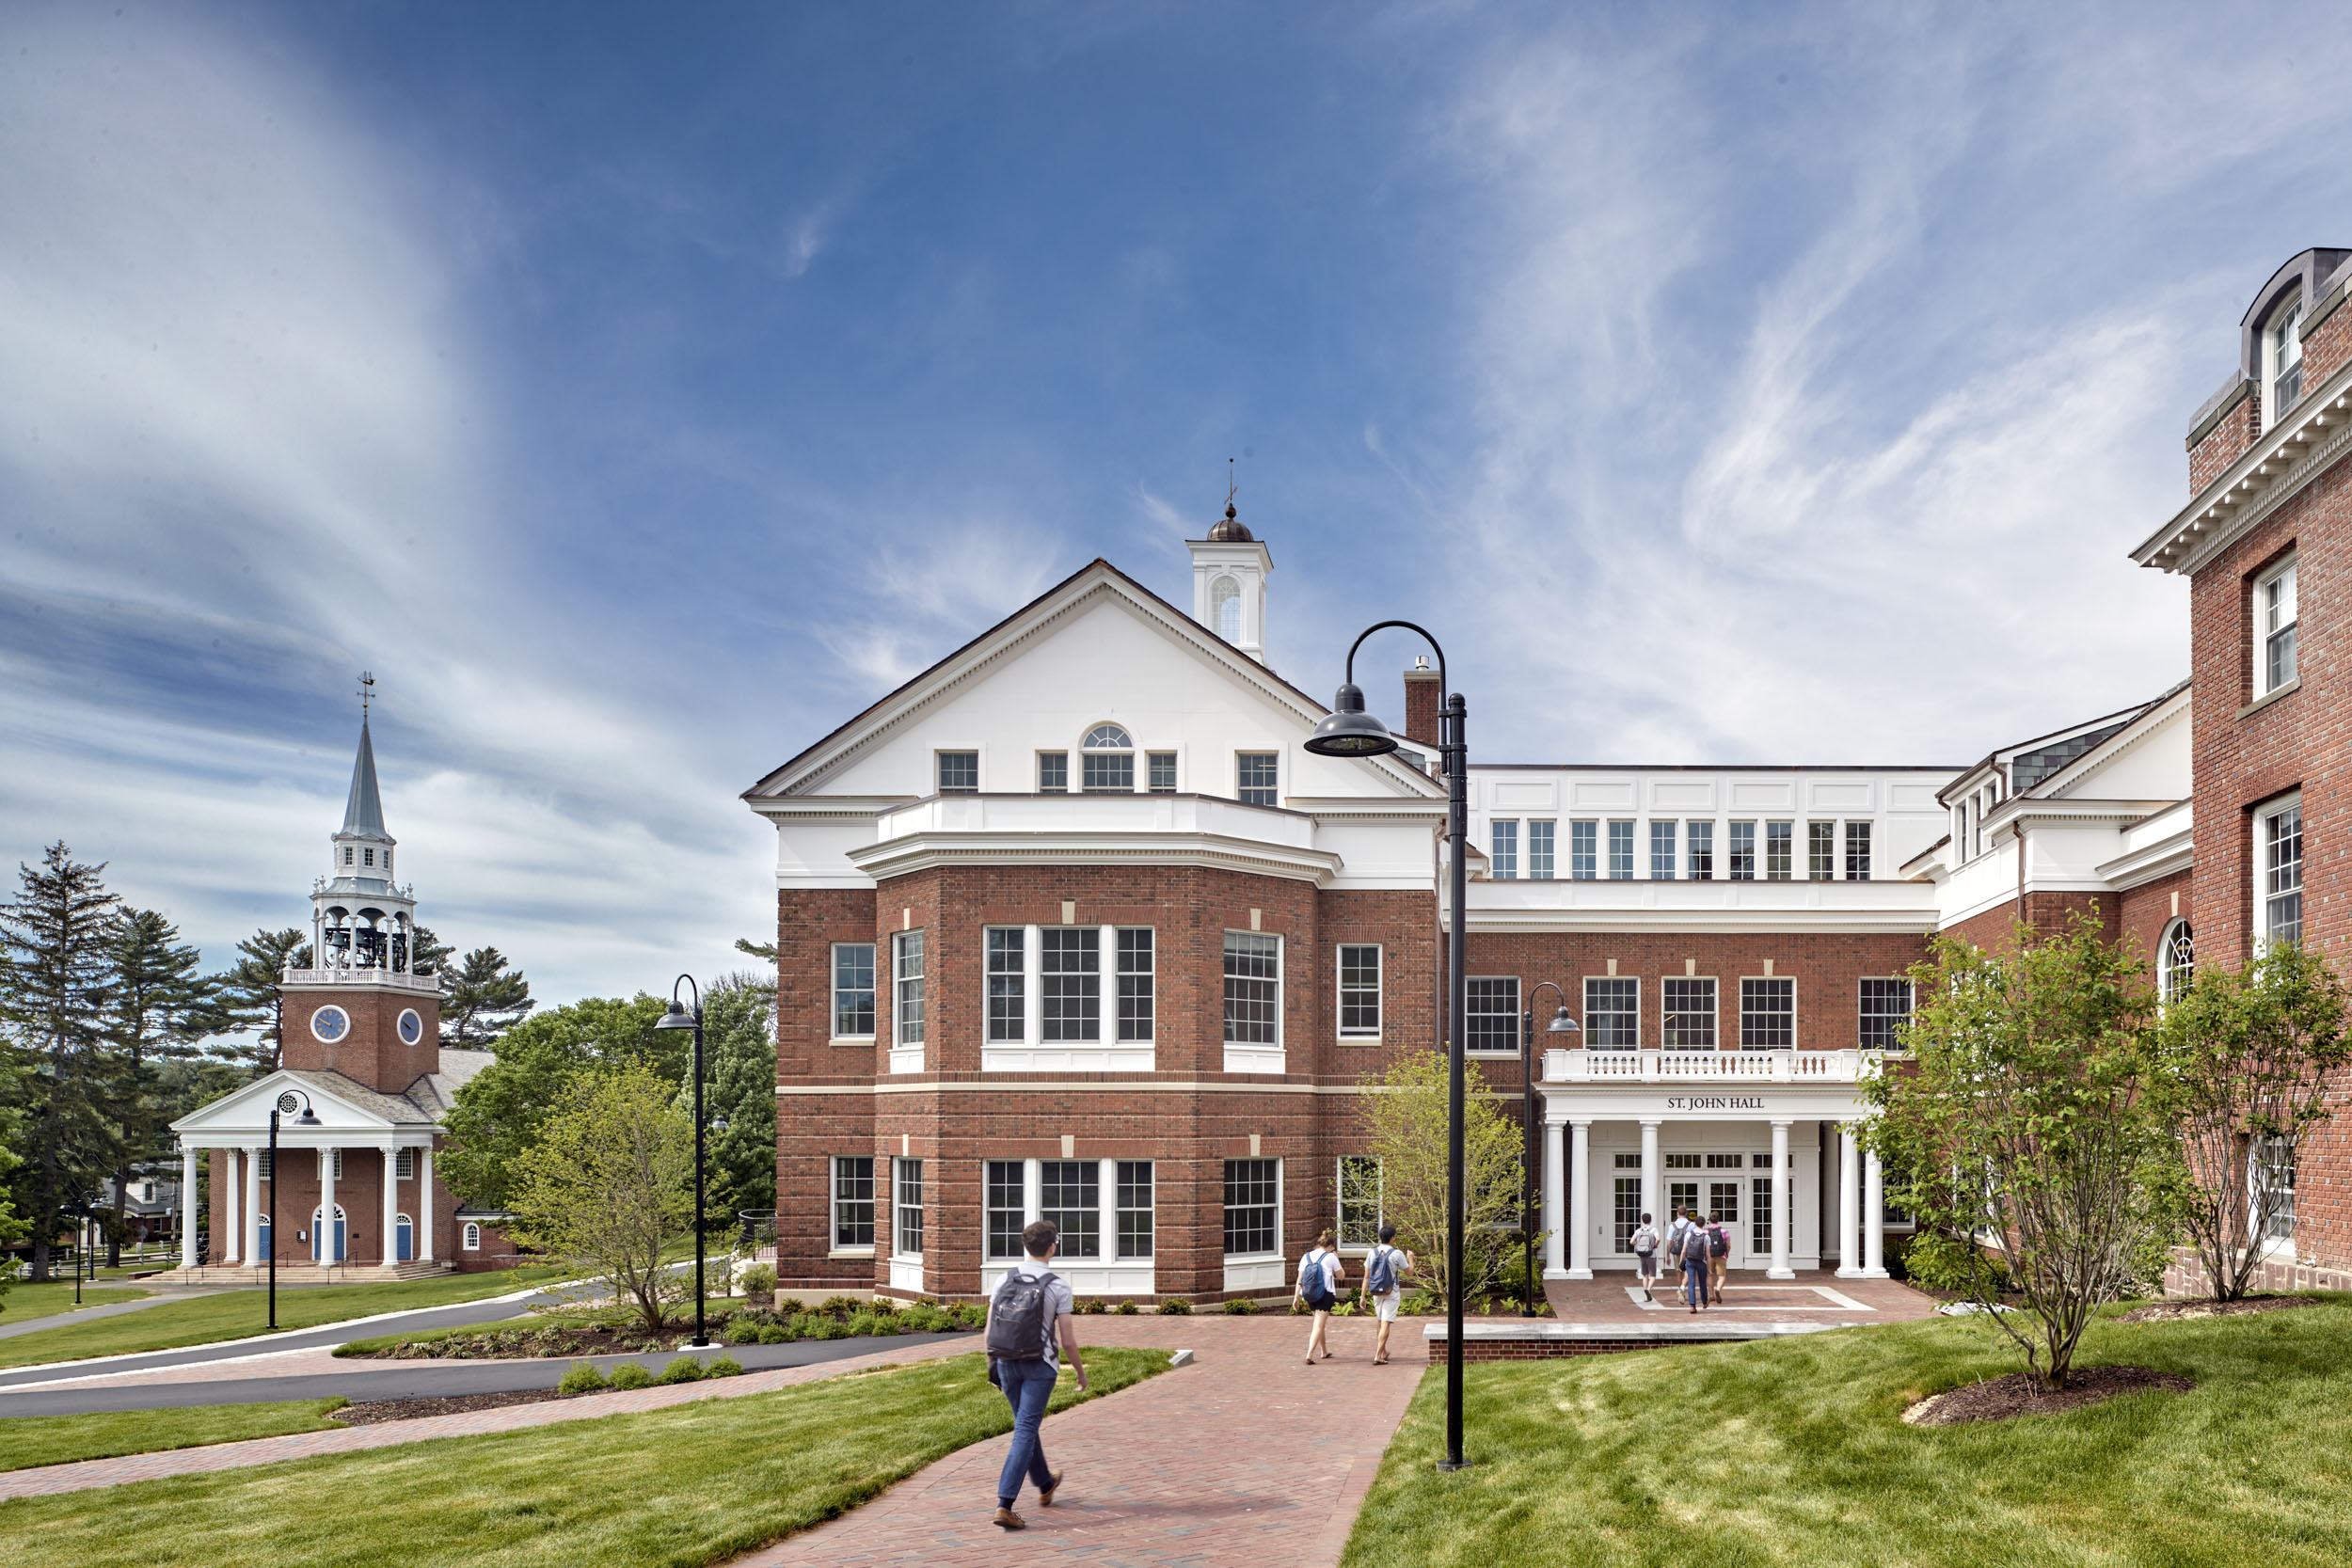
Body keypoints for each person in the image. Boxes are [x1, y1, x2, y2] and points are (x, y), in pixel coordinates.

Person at [986, 1219, 1087, 1530]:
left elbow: (990, 1330)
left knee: (1025, 1425)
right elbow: (1067, 1340)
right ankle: (1005, 1505)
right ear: (1053, 1246)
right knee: (1026, 1429)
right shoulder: (1058, 1285)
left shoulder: (1004, 1278)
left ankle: (1044, 1484)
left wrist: (992, 1364)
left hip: (1005, 1362)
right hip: (1039, 1367)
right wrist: (1080, 1373)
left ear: (1025, 1246)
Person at [1362, 1223, 1413, 1365]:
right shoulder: (1397, 1254)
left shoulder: (1372, 1253)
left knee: (1379, 1321)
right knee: (1386, 1323)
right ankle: (1378, 1355)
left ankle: (1383, 1351)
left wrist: (1362, 1295)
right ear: (1392, 1238)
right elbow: (1410, 1272)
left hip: (1375, 1291)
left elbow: (1366, 1276)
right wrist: (1410, 1258)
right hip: (1391, 1291)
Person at [1295, 1228, 1344, 1363]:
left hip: (1309, 1294)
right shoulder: (1331, 1257)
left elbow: (1300, 1279)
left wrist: (1296, 1297)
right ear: (1331, 1246)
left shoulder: (1306, 1256)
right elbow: (1341, 1276)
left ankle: (1324, 1351)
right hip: (1325, 1294)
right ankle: (1309, 1354)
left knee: (1319, 1323)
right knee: (1318, 1325)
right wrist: (1336, 1259)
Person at [1677, 1212, 1711, 1313]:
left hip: (1690, 1261)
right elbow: (1708, 1255)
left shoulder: (1688, 1234)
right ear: (1703, 1224)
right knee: (1702, 1283)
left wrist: (1680, 1263)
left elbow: (1683, 1250)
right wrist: (1709, 1269)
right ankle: (1704, 1302)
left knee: (1691, 1283)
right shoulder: (1706, 1237)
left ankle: (1692, 1306)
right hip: (1702, 1262)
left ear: (1695, 1223)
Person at [1629, 1212, 1661, 1294]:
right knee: (1653, 1275)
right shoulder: (1654, 1229)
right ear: (1650, 1220)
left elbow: (1631, 1241)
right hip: (1651, 1254)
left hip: (1642, 1254)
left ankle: (1645, 1294)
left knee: (1645, 1275)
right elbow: (1658, 1239)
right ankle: (1648, 1290)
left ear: (1642, 1220)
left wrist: (1638, 1245)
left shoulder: (1638, 1230)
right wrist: (1655, 1245)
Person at [1708, 1212, 1732, 1303]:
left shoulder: (1706, 1232)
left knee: (1710, 1275)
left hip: (1710, 1256)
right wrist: (1726, 1254)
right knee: (1721, 1276)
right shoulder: (1724, 1231)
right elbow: (1728, 1245)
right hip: (1721, 1256)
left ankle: (1711, 1294)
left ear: (1709, 1220)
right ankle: (1718, 1289)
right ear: (1718, 1219)